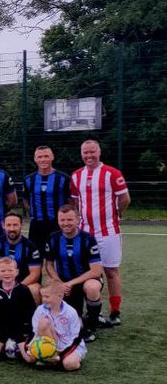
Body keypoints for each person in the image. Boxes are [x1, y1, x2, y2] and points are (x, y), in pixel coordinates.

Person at [71, 138, 130, 326]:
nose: (89, 155)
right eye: (85, 152)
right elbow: (74, 203)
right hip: (85, 233)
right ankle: (91, 313)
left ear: (99, 152)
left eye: (92, 152)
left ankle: (115, 311)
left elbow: (125, 199)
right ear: (81, 154)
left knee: (111, 271)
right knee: (86, 273)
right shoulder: (76, 176)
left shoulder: (112, 173)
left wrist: (117, 213)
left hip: (108, 232)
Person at [44, 204, 103, 338]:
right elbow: (48, 265)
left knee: (92, 287)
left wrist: (70, 283)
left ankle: (92, 325)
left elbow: (96, 271)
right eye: (62, 220)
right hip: (64, 283)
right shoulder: (53, 238)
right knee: (71, 324)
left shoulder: (88, 239)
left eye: (69, 220)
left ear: (78, 220)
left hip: (86, 280)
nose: (66, 223)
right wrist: (59, 282)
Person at [24, 280, 86, 371]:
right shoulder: (40, 310)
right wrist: (29, 347)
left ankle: (59, 360)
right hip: (52, 344)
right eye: (42, 296)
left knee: (69, 364)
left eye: (47, 296)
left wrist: (62, 353)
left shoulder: (71, 312)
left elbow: (76, 338)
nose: (43, 299)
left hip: (69, 346)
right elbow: (34, 332)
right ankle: (50, 356)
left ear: (60, 296)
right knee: (43, 322)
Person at [0, 257, 35, 362]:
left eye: (10, 270)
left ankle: (17, 347)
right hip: (1, 329)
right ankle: (3, 347)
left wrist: (30, 332)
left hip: (20, 329)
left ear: (16, 272)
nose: (7, 273)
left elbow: (32, 312)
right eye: (3, 271)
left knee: (30, 360)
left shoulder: (24, 290)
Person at [0, 211, 42, 302]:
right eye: (8, 225)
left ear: (21, 225)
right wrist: (8, 288)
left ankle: (32, 316)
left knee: (35, 289)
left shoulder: (31, 246)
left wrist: (18, 288)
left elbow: (35, 274)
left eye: (15, 225)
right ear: (3, 225)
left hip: (23, 283)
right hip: (2, 283)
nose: (12, 228)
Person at [23, 146, 72, 252]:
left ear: (52, 157)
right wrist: (33, 213)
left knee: (60, 256)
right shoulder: (28, 180)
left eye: (46, 156)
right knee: (35, 259)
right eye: (39, 157)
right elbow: (26, 200)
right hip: (37, 225)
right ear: (35, 159)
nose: (43, 159)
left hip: (57, 224)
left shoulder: (63, 178)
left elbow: (71, 201)